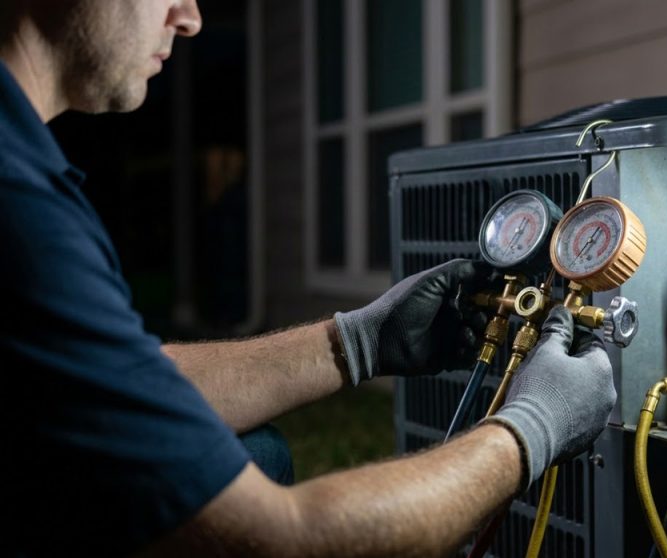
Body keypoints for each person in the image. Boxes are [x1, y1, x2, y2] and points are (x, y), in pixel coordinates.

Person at [0, 1, 616, 556]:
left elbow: (124, 382)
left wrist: (359, 341)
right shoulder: (19, 207)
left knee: (258, 454)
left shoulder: (24, 161)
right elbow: (278, 538)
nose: (188, 18)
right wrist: (531, 429)